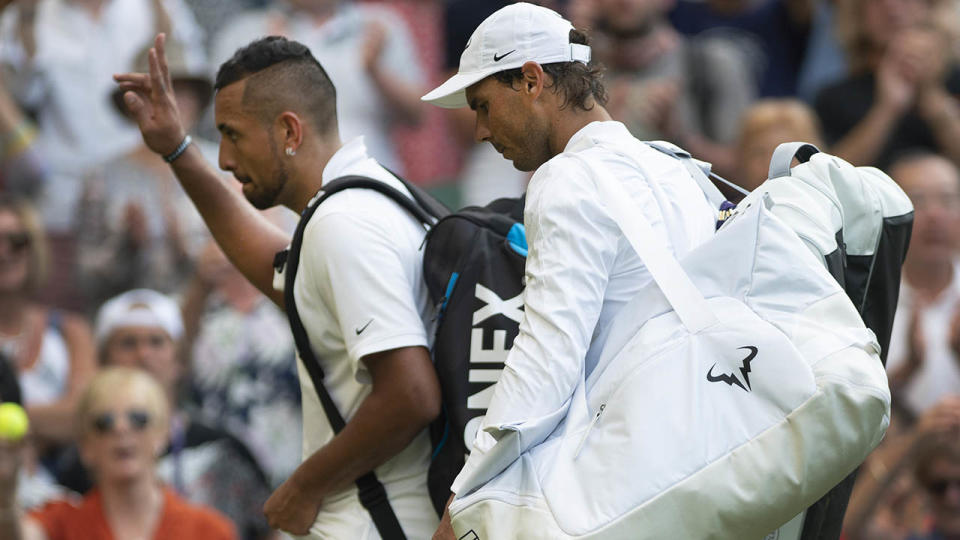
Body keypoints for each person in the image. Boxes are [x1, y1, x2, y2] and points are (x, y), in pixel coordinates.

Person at [114, 34, 441, 538]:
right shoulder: (375, 194)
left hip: (375, 523)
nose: (222, 157)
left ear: (289, 130)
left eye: (232, 134)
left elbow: (412, 394)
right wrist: (179, 150)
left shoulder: (344, 224)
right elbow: (277, 271)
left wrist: (304, 485)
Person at [420, 3, 717, 536]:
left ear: (531, 80)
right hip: (704, 460)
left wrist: (463, 498)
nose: (482, 131)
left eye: (484, 106)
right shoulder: (678, 168)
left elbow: (546, 362)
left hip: (632, 487)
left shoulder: (564, 180)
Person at [49, 288, 272, 540]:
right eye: (128, 343)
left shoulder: (223, 448)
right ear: (103, 361)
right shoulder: (86, 457)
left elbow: (269, 528)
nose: (144, 355)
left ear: (179, 360)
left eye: (156, 342)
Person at [0, 366, 236, 540]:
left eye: (138, 419)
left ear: (162, 435)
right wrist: (5, 492)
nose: (121, 429)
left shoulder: (209, 531)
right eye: (104, 422)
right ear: (85, 446)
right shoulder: (61, 523)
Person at [814, 0, 960, 169]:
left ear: (929, 6)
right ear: (858, 14)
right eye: (875, 2)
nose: (891, 6)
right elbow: (831, 176)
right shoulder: (835, 98)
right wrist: (887, 108)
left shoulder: (955, 81)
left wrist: (931, 95)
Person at [0, 195, 95, 448]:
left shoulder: (70, 331)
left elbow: (82, 414)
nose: (4, 252)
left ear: (35, 249)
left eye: (17, 241)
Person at [885, 152, 960, 418]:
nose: (935, 214)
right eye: (917, 200)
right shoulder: (868, 300)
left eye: (948, 199)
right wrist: (908, 368)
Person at [735, 98, 825, 192]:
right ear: (742, 158)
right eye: (759, 153)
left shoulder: (830, 205)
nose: (769, 163)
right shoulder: (728, 206)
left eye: (784, 153)